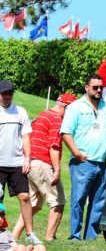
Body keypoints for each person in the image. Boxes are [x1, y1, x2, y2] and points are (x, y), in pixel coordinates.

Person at [60, 74, 106, 240]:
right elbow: (66, 132)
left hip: (103, 164)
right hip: (82, 164)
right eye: (95, 87)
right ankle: (75, 236)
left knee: (98, 202)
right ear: (87, 88)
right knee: (78, 200)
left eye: (101, 87)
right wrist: (77, 153)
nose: (99, 90)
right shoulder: (76, 107)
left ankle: (91, 237)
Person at [13, 93, 77, 241]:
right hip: (42, 163)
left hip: (30, 163)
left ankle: (13, 238)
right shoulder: (57, 120)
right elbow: (53, 146)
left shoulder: (43, 115)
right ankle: (50, 239)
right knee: (58, 201)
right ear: (67, 108)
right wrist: (57, 170)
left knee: (33, 205)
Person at [0, 80, 42, 244]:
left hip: (17, 162)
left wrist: (27, 159)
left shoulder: (21, 112)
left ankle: (30, 234)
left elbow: (26, 136)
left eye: (10, 93)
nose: (7, 97)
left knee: (25, 197)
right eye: (4, 93)